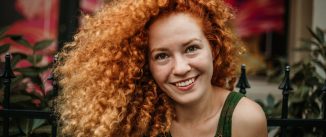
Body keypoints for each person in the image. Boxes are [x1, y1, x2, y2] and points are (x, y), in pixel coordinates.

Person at [54, 0, 268, 137]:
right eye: (162, 55)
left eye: (191, 48)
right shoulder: (133, 122)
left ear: (213, 48)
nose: (181, 68)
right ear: (145, 64)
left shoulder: (244, 119)